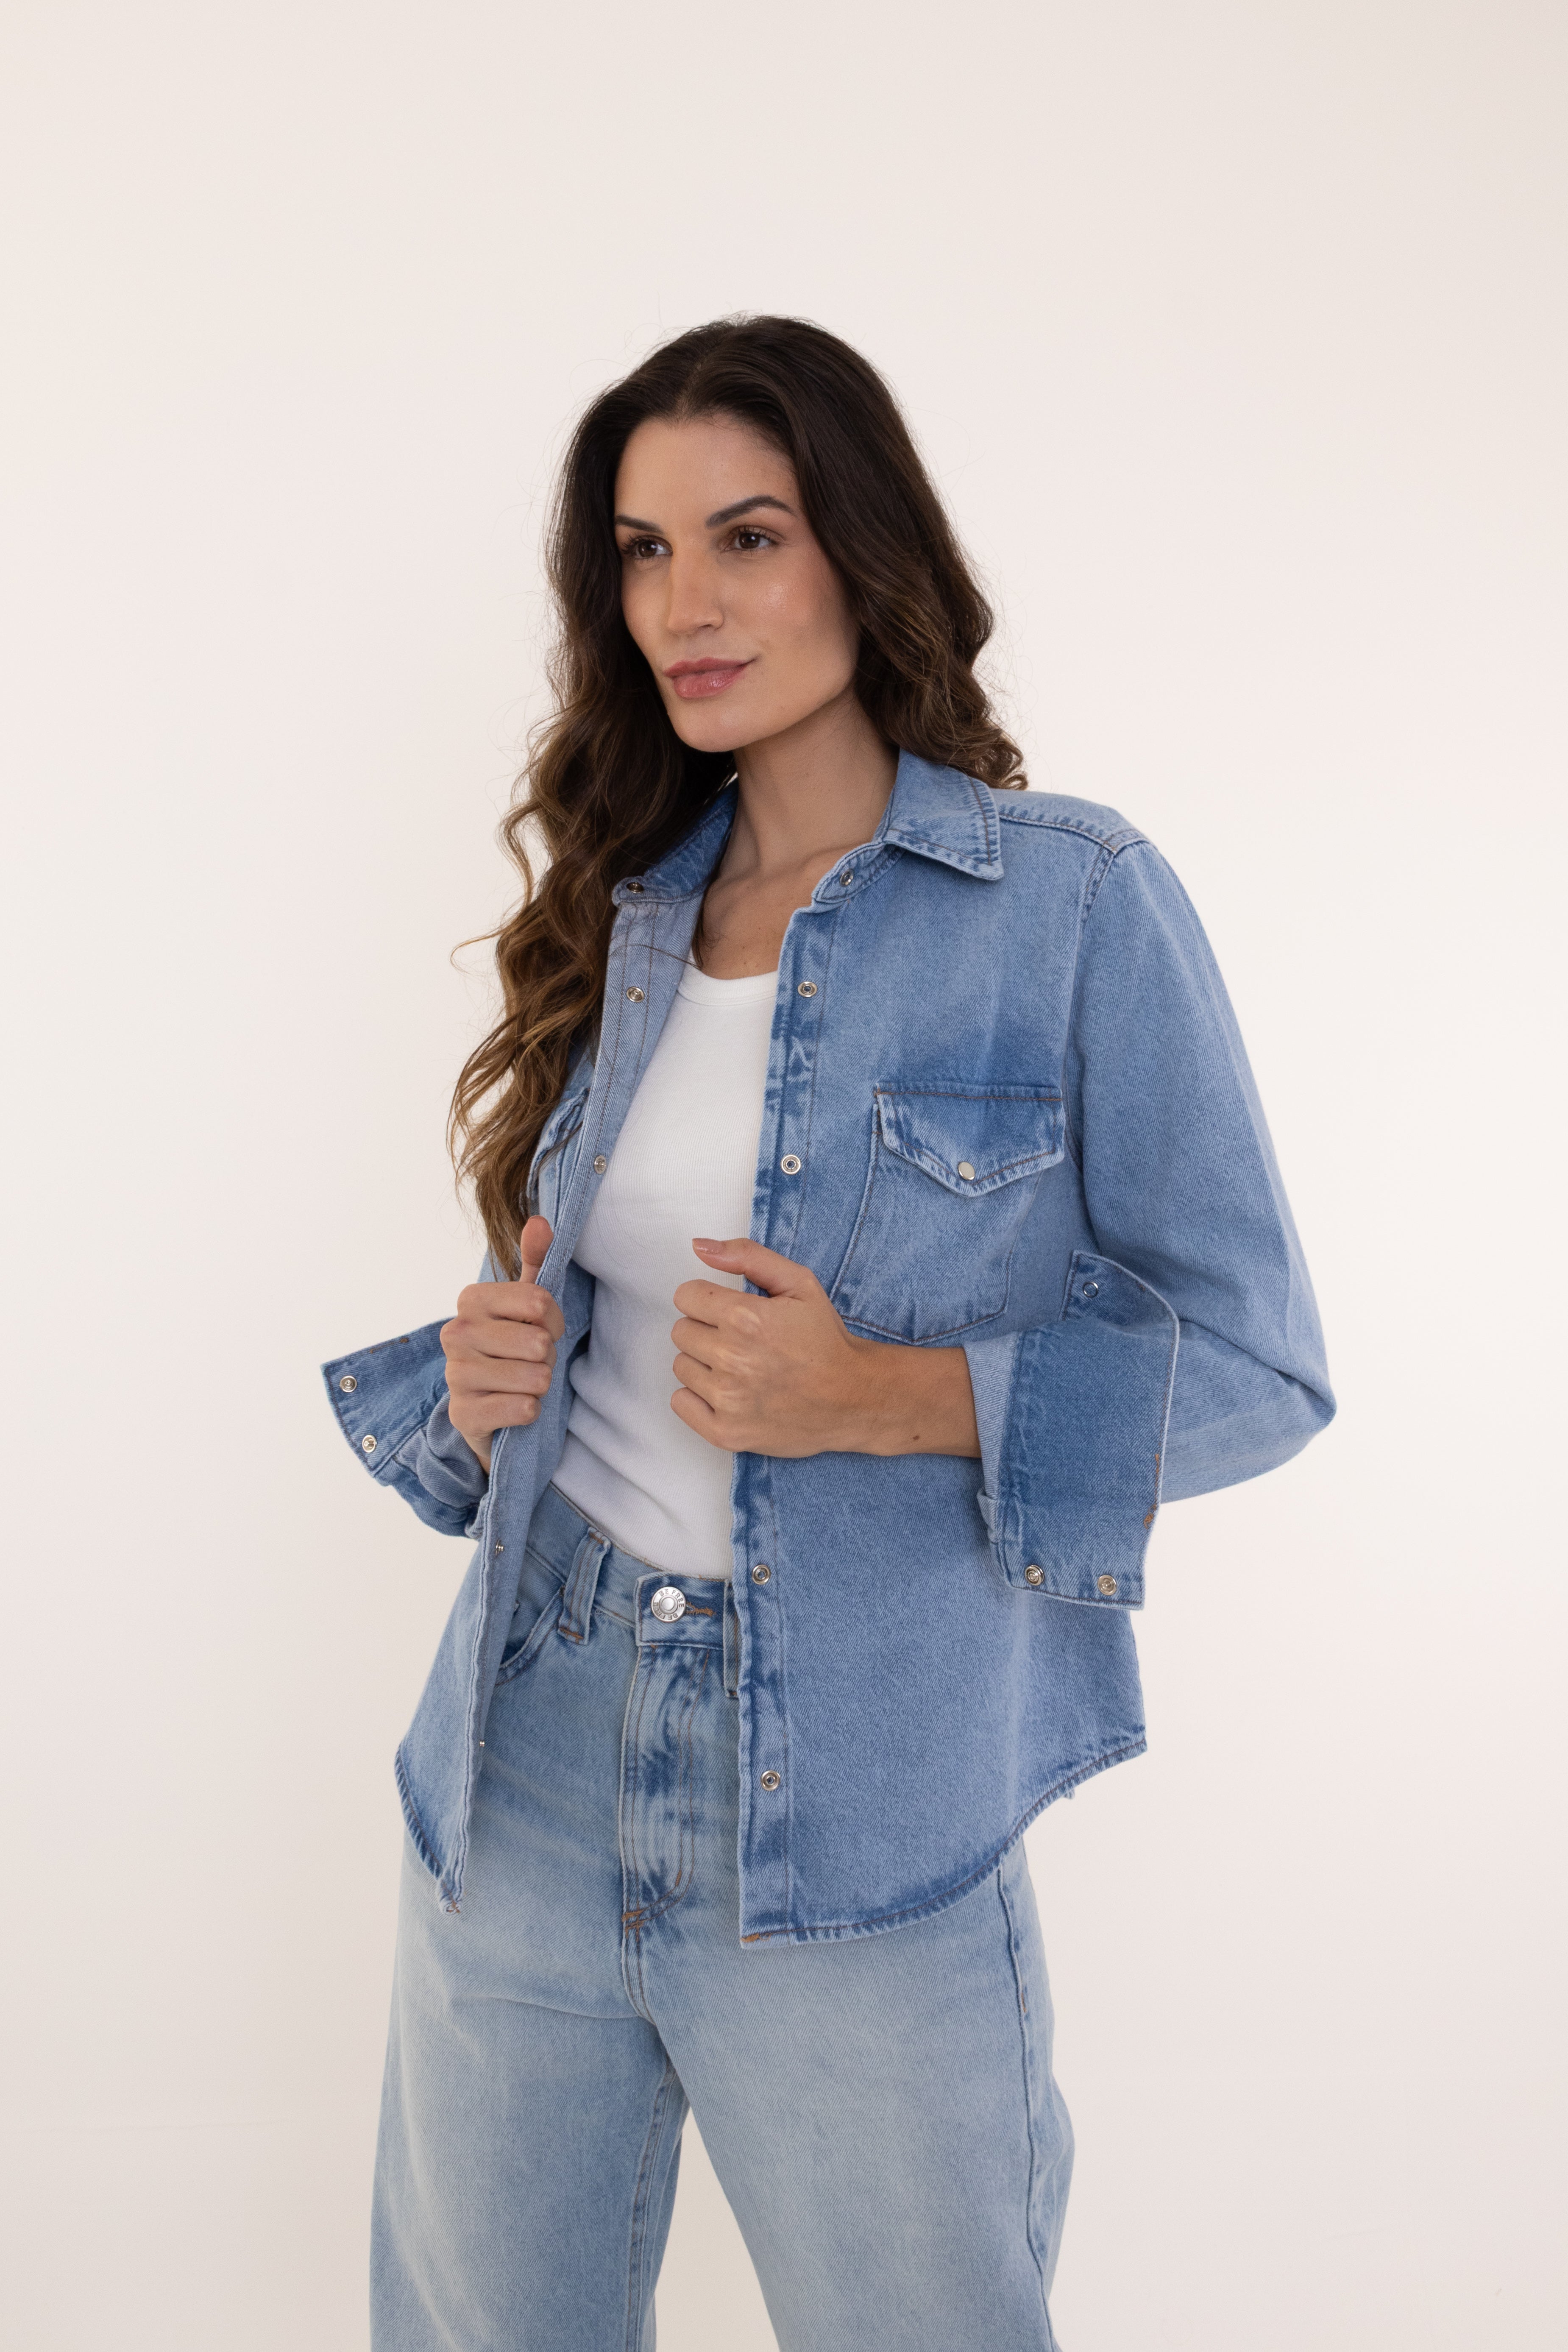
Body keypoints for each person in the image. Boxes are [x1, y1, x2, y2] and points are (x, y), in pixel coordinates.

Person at [323, 315, 1334, 2352]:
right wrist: (481, 1380)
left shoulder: (1067, 904)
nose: (682, 606)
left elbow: (1260, 1368)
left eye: (746, 536)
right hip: (529, 1749)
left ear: (863, 552)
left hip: (858, 1805)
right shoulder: (623, 911)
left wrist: (890, 1396)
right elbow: (589, 1331)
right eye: (640, 551)